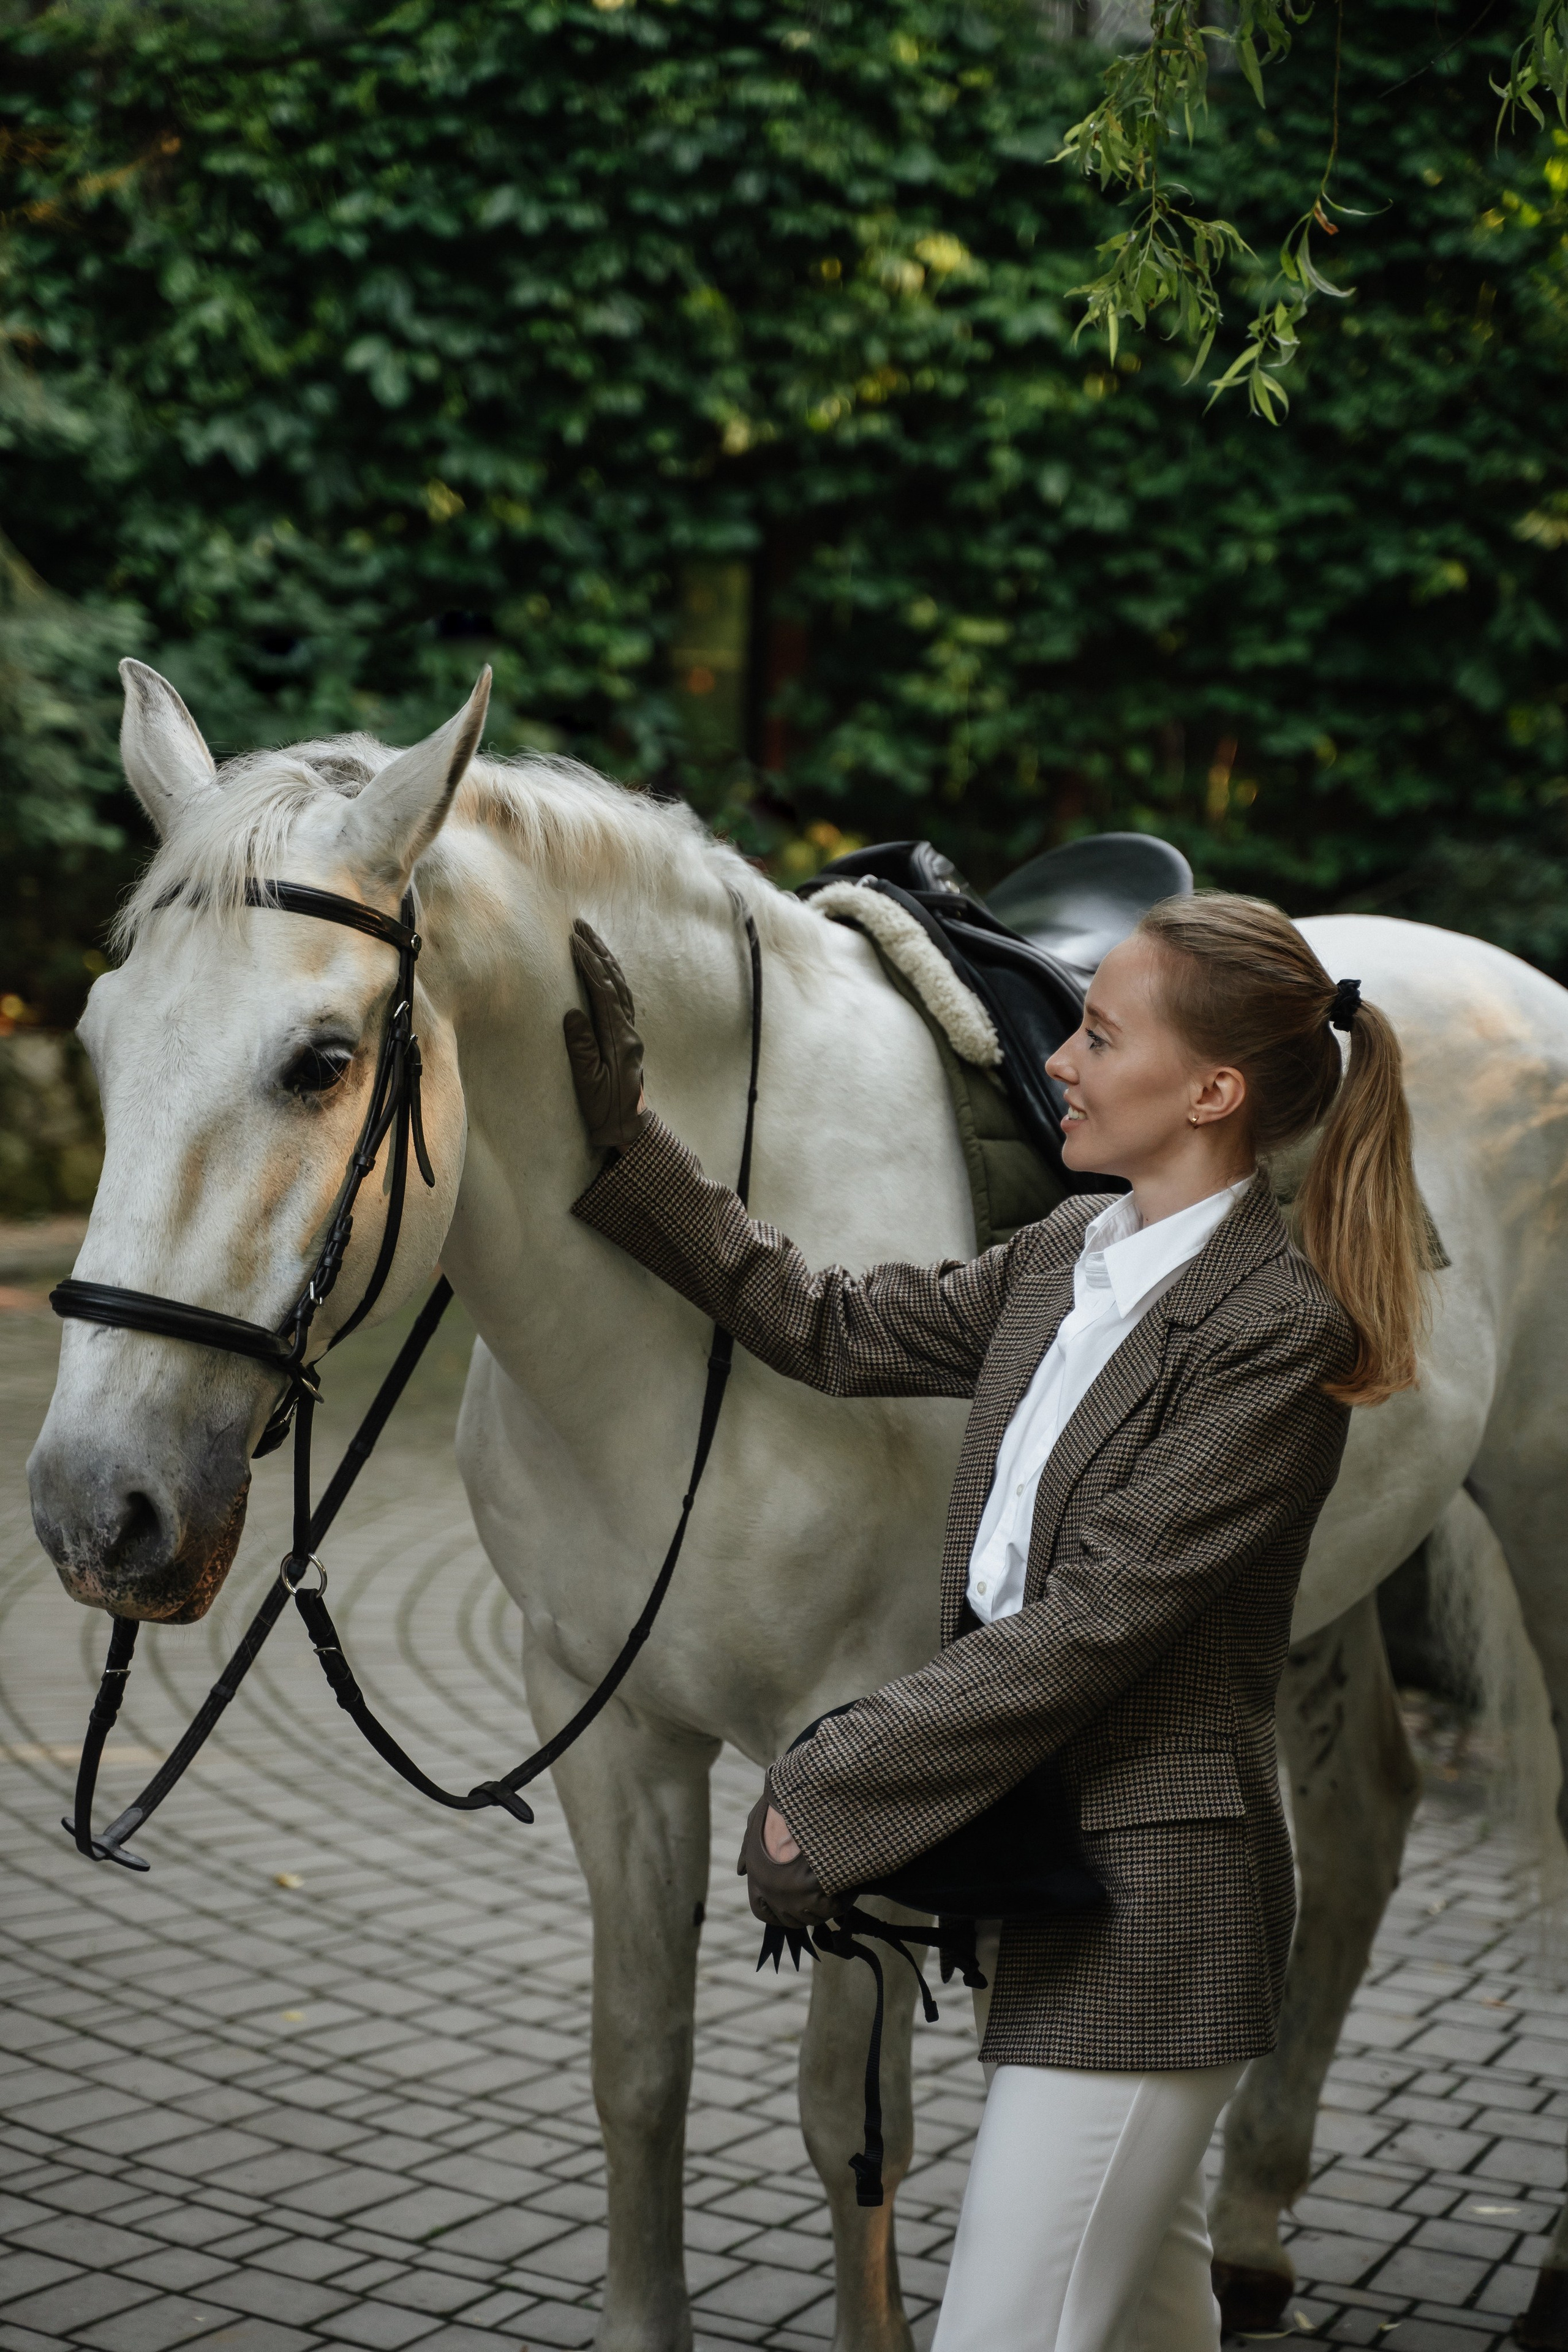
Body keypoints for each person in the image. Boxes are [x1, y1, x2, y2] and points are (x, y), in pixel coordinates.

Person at [561, 891, 1436, 2352]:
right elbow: (823, 1320)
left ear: (1212, 1093)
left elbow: (1095, 1625)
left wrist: (826, 1787)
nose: (1062, 1066)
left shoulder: (1272, 1331)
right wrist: (628, 1147)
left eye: (1098, 1035)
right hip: (1060, 1905)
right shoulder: (1067, 1257)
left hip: (1158, 1920)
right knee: (1149, 2316)